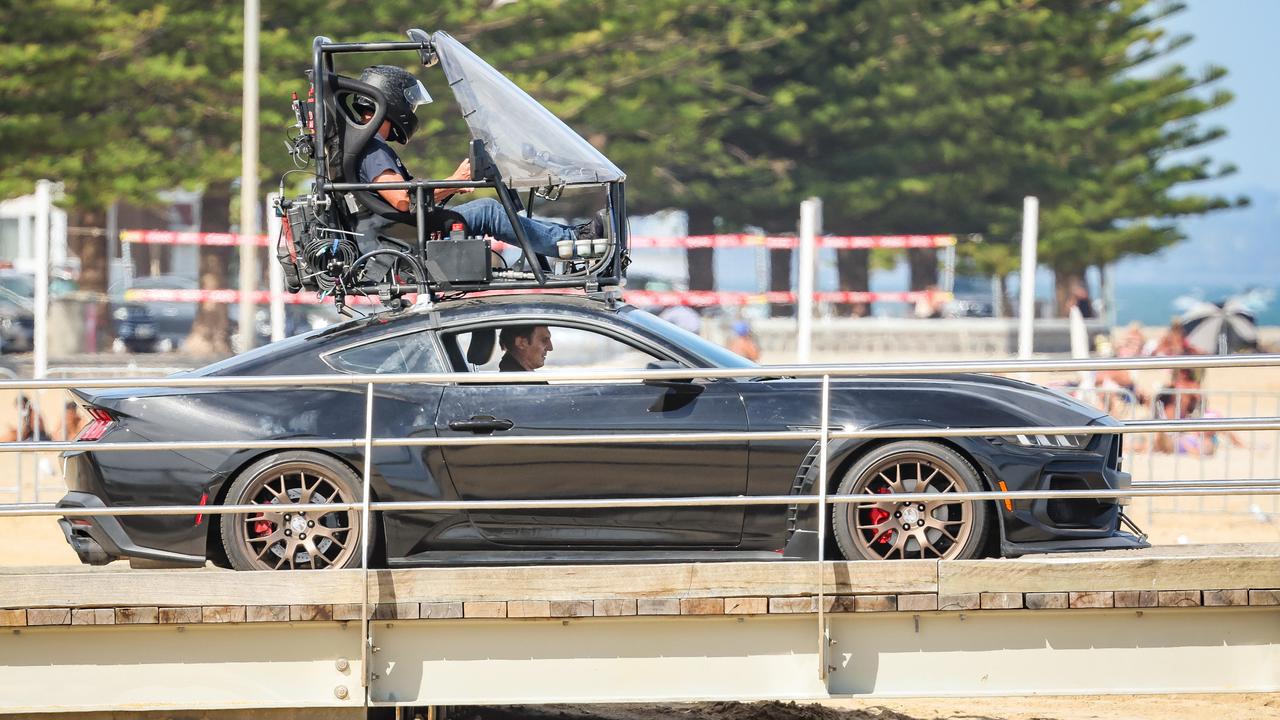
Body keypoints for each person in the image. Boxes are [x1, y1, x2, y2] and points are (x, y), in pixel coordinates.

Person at [351, 65, 604, 270]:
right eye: (409, 104)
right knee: (489, 212)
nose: (411, 110)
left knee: (488, 209)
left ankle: (571, 237)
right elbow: (403, 200)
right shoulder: (373, 148)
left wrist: (449, 188)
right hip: (400, 238)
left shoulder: (366, 145)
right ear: (391, 101)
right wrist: (455, 181)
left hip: (399, 231)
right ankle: (573, 242)